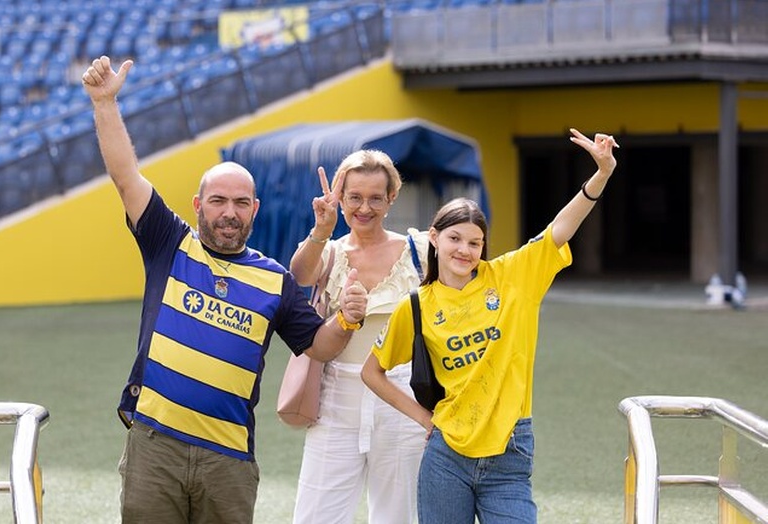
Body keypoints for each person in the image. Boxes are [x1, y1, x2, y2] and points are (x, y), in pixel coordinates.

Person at [82, 55, 368, 524]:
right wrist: (104, 102)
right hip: (156, 447)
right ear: (199, 205)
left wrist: (349, 317)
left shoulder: (275, 279)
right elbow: (125, 176)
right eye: (218, 201)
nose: (228, 212)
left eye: (239, 203)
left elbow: (320, 346)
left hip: (229, 458)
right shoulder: (168, 244)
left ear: (254, 209)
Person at [362, 128, 618, 524]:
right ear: (434, 238)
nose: (464, 250)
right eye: (455, 239)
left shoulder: (512, 278)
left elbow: (560, 229)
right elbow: (372, 372)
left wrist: (600, 175)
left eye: (475, 242)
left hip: (509, 452)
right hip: (446, 456)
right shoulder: (415, 306)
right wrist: (423, 419)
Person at [289, 150, 428, 524]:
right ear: (340, 196)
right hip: (336, 397)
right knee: (315, 515)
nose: (364, 208)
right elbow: (299, 275)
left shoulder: (419, 251)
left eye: (375, 198)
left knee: (401, 516)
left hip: (402, 396)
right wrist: (321, 228)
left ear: (391, 198)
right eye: (354, 197)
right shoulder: (330, 252)